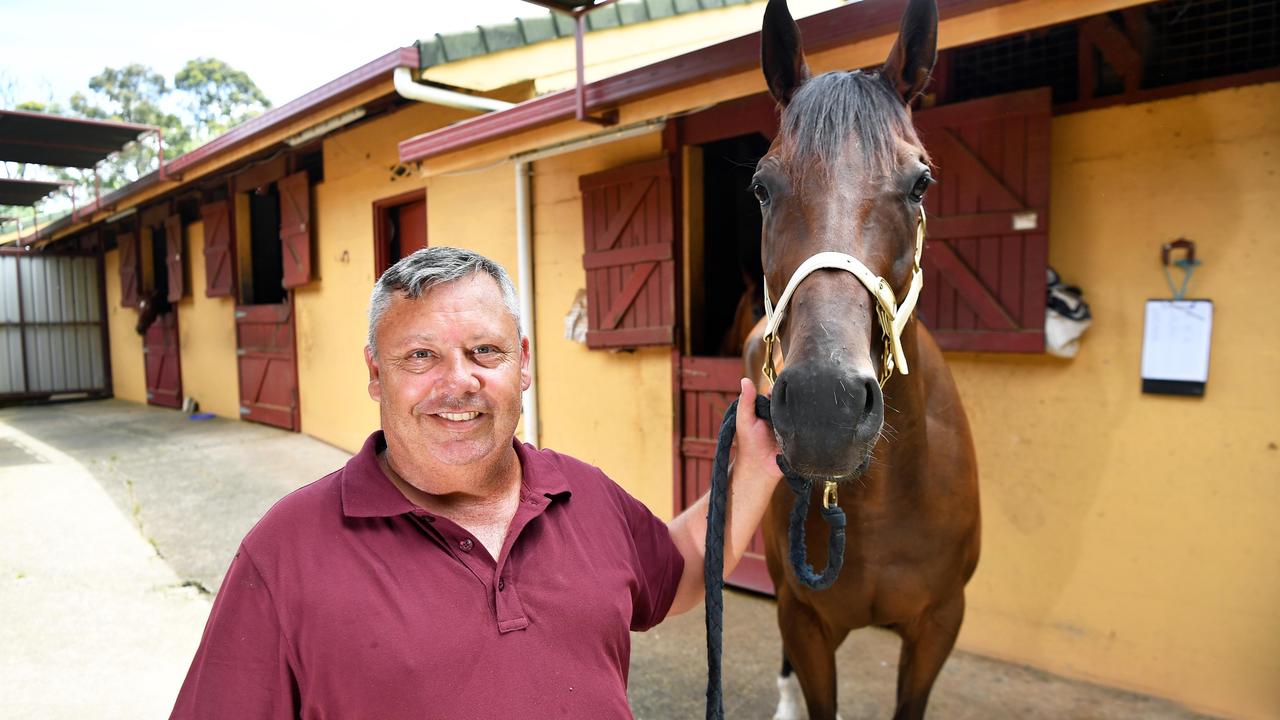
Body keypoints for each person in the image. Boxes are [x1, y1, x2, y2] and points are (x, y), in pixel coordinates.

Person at [170, 247, 782, 719]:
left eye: (484, 351)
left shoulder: (585, 493)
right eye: (419, 356)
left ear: (522, 364)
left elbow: (680, 569)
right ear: (376, 373)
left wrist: (754, 467)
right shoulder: (286, 550)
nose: (457, 382)